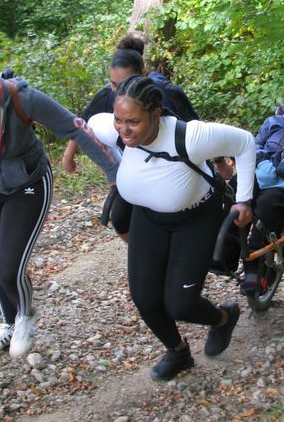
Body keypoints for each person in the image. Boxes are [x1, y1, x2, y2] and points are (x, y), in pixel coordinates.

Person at [0, 37, 119, 358]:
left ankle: (25, 316)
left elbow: (75, 127)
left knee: (8, 266)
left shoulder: (20, 98)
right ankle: (8, 323)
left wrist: (112, 170)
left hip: (29, 184)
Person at [88, 75, 255, 381]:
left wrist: (244, 199)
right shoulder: (114, 129)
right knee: (146, 299)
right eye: (119, 120)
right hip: (148, 219)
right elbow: (82, 125)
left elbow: (245, 142)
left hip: (195, 220)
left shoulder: (190, 136)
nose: (124, 129)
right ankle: (178, 352)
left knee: (180, 304)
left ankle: (222, 318)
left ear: (155, 114)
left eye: (134, 122)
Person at [62, 35, 199, 241]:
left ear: (143, 75)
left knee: (167, 214)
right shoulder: (107, 95)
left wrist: (218, 163)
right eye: (114, 84)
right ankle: (144, 254)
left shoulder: (166, 92)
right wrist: (69, 154)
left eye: (125, 82)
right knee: (121, 219)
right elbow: (82, 122)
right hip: (134, 166)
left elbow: (196, 130)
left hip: (174, 167)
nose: (118, 91)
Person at [241, 83, 284, 294]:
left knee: (266, 206)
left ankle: (252, 268)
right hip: (262, 172)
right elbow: (255, 144)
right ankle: (227, 250)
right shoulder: (275, 122)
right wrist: (263, 164)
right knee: (235, 195)